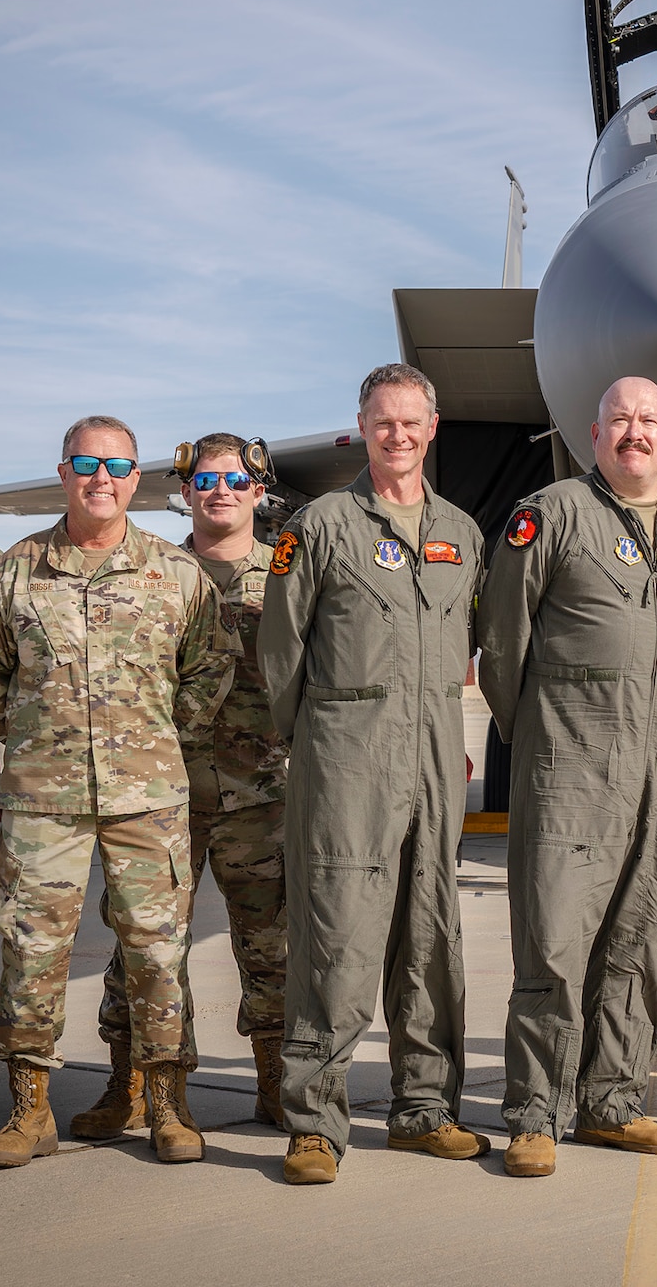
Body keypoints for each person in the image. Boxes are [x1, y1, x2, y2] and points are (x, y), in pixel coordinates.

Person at [0, 415, 236, 1169]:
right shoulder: (17, 572)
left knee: (156, 952)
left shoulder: (174, 575)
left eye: (117, 466)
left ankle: (167, 1106)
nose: (101, 478)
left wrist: (159, 739)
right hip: (43, 798)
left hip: (147, 797)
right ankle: (28, 1111)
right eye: (87, 463)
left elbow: (210, 669)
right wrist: (37, 735)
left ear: (135, 478)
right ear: (64, 471)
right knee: (32, 951)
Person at [477, 376, 657, 1178]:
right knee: (553, 944)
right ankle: (536, 1115)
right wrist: (543, 742)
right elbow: (502, 647)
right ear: (594, 432)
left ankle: (614, 1103)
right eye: (620, 419)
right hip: (569, 770)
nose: (635, 432)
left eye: (650, 419)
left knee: (643, 941)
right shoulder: (548, 516)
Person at [257, 366, 490, 1185]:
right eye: (382, 423)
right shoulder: (320, 527)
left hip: (433, 761)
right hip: (346, 759)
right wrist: (320, 744)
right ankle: (315, 1122)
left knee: (431, 937)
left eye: (411, 422)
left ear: (433, 429)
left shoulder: (461, 532)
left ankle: (424, 1107)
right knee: (338, 938)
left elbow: (468, 644)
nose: (397, 436)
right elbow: (280, 654)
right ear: (362, 427)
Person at [71, 433, 291, 1142]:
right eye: (205, 480)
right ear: (186, 490)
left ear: (259, 490)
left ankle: (279, 1083)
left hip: (263, 795)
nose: (219, 491)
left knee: (274, 949)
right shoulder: (152, 574)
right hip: (160, 799)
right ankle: (131, 1085)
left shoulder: (290, 573)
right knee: (141, 947)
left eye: (234, 480)